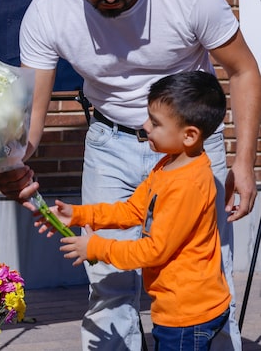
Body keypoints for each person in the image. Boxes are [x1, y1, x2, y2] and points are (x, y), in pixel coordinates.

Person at [12, 0, 261, 350]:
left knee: (204, 274)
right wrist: (8, 163)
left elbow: (244, 70)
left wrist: (244, 162)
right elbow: (30, 122)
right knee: (107, 284)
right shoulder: (49, 13)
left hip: (190, 149)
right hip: (110, 141)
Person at [37, 71, 231, 350]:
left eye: (155, 122)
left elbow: (153, 250)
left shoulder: (187, 185)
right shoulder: (167, 165)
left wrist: (96, 248)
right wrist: (79, 215)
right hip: (176, 309)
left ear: (189, 135)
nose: (144, 125)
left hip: (188, 317)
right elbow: (133, 211)